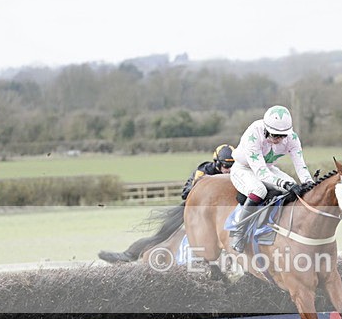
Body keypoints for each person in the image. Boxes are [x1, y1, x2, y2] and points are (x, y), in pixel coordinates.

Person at [97, 143, 235, 264]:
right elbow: (187, 194)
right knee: (162, 235)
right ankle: (128, 255)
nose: (229, 169)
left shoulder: (237, 171)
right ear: (217, 163)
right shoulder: (204, 171)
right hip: (194, 208)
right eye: (225, 165)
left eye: (232, 165)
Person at [229, 105, 314, 252]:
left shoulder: (292, 138)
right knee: (259, 190)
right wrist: (284, 184)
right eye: (275, 135)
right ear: (266, 129)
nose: (279, 139)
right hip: (244, 168)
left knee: (294, 187)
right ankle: (239, 231)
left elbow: (300, 165)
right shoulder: (253, 133)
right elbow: (261, 173)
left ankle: (275, 228)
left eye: (283, 136)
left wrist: (310, 183)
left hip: (268, 168)